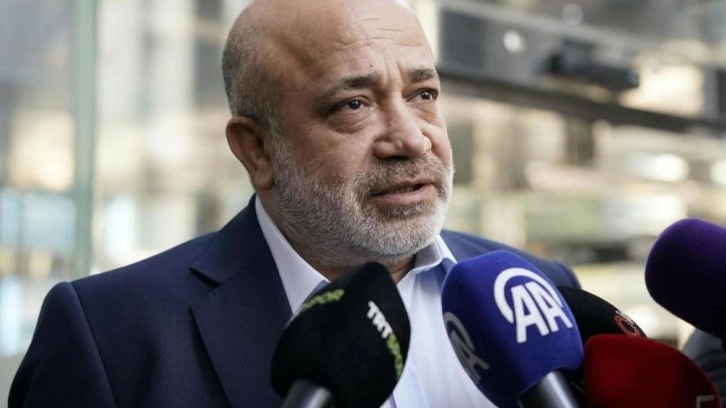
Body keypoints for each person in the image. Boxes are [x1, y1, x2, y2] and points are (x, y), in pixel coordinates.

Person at [9, 0, 579, 407]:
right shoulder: (111, 336)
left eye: (423, 94)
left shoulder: (541, 292)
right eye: (354, 104)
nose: (410, 138)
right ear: (257, 149)